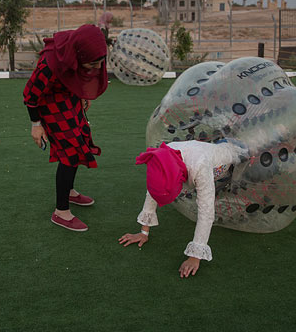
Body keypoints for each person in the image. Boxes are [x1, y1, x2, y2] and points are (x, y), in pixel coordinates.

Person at [23, 24, 108, 232]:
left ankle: (68, 190)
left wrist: (80, 94)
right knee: (69, 152)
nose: (97, 68)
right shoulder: (49, 64)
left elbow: (74, 75)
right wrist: (36, 125)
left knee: (79, 141)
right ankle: (61, 212)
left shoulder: (75, 48)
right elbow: (30, 95)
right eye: (92, 64)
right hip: (49, 105)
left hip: (68, 99)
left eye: (100, 63)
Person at [119, 139, 247, 278]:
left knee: (255, 166)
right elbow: (152, 193)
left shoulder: (199, 165)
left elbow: (206, 211)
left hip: (237, 155)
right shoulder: (162, 158)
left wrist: (195, 257)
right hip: (211, 151)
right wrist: (144, 232)